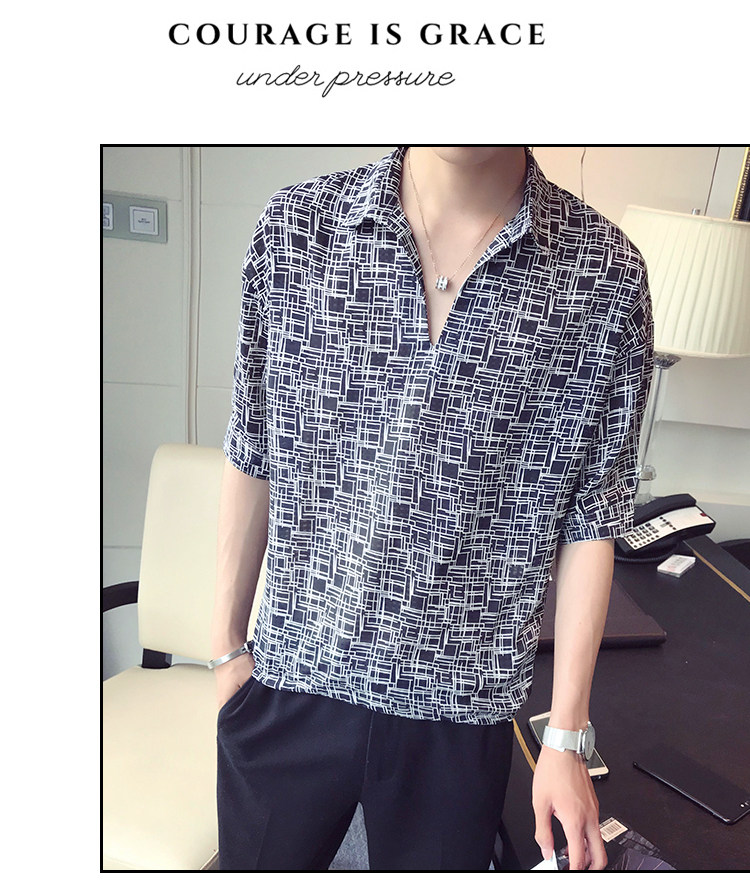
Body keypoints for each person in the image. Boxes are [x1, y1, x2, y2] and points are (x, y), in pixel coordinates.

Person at [210, 146, 654, 871]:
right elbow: (252, 444)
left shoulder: (604, 274)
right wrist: (227, 648)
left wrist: (566, 738)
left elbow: (593, 518)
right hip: (292, 678)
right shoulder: (297, 228)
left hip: (462, 712)